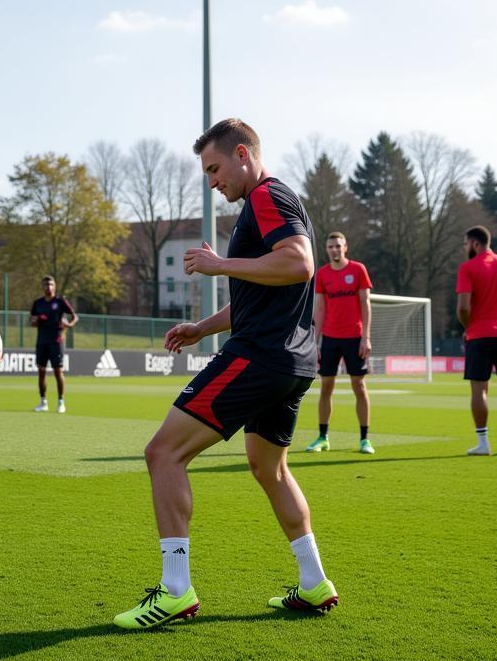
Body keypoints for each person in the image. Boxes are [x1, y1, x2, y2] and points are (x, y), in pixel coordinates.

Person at [114, 118, 337, 631]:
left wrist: (219, 265)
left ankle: (175, 591)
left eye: (215, 169)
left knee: (162, 453)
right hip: (292, 360)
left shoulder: (266, 198)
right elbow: (265, 289)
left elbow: (300, 265)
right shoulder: (274, 204)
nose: (213, 182)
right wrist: (203, 327)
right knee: (270, 469)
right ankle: (314, 582)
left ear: (242, 154)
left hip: (259, 357)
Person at [306, 231, 375, 454]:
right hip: (330, 338)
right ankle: (322, 437)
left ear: (345, 247)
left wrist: (365, 337)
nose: (334, 250)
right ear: (326, 250)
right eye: (330, 247)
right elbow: (320, 308)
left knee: (359, 386)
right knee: (326, 387)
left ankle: (365, 439)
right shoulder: (322, 274)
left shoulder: (358, 270)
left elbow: (365, 304)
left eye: (338, 246)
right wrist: (314, 342)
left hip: (354, 338)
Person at [456, 225, 497, 456]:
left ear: (474, 243)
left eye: (466, 244)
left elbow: (463, 307)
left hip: (479, 335)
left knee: (479, 390)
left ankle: (483, 443)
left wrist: (469, 326)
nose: (465, 248)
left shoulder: (468, 268)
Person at [29, 275, 77, 412]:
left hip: (56, 341)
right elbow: (31, 321)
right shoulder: (37, 303)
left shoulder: (60, 302)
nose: (48, 287)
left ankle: (61, 402)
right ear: (42, 287)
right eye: (46, 285)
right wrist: (36, 320)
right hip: (42, 341)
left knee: (58, 371)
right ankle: (43, 402)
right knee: (41, 372)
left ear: (54, 286)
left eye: (50, 285)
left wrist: (69, 324)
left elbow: (75, 316)